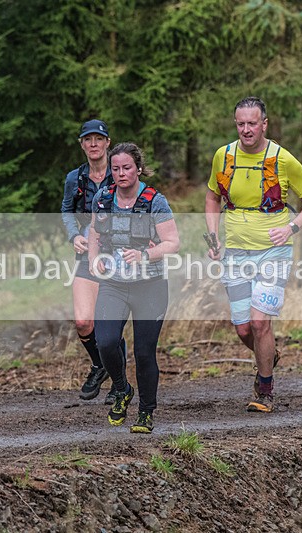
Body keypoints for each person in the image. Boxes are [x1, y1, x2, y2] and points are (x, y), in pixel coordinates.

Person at [205, 96, 302, 413]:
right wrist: (212, 236)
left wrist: (291, 228)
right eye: (241, 124)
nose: (246, 130)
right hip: (236, 253)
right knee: (243, 328)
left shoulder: (282, 159)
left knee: (260, 324)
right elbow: (212, 198)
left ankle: (265, 389)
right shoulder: (223, 156)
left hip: (274, 252)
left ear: (264, 124)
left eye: (252, 123)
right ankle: (269, 355)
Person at [88, 142, 179, 433]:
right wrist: (93, 259)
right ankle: (121, 388)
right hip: (113, 284)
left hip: (150, 286)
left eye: (127, 168)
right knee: (105, 342)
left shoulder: (154, 201)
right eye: (115, 168)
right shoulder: (103, 198)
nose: (121, 173)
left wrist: (144, 255)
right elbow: (94, 232)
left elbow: (172, 243)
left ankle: (146, 411)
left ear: (138, 168)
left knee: (143, 352)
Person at [61, 119, 126, 403]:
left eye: (98, 139)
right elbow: (66, 210)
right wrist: (74, 235)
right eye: (88, 139)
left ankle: (120, 385)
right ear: (82, 144)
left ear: (107, 142)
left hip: (118, 255)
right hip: (87, 253)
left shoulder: (120, 171)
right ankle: (100, 365)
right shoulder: (74, 179)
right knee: (83, 322)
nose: (93, 144)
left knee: (109, 324)